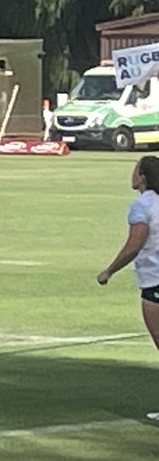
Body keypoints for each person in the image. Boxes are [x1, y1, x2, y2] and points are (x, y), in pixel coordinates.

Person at [97, 156, 159, 419]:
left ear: (143, 176)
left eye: (135, 170)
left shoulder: (142, 206)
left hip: (155, 280)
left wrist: (109, 270)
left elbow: (135, 244)